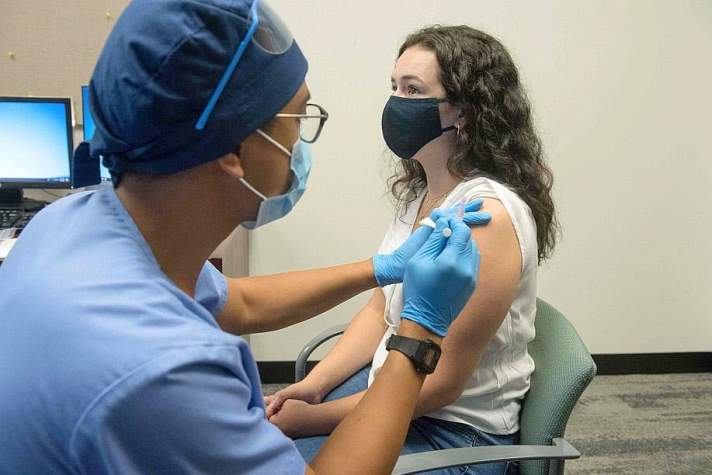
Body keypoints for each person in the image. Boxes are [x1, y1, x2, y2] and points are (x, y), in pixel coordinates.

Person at [0, 2, 492, 474]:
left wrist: (379, 269)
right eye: (298, 118)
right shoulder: (165, 371)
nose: (300, 142)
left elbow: (240, 303)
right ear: (234, 149)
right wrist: (419, 332)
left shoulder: (69, 222)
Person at [265, 25, 558, 475]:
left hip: (452, 430)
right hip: (394, 387)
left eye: (413, 90)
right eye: (395, 87)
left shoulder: (487, 216)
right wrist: (314, 386)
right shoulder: (421, 192)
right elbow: (379, 309)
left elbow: (442, 384)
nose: (396, 102)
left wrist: (311, 420)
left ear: (464, 111)